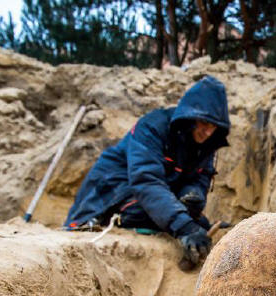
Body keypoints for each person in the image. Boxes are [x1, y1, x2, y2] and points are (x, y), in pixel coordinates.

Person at [64, 75, 230, 267]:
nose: (208, 132)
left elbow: (200, 178)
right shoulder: (152, 127)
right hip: (111, 192)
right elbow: (146, 181)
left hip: (153, 196)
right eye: (204, 124)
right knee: (171, 221)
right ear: (190, 118)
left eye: (214, 126)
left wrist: (191, 197)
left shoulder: (207, 144)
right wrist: (184, 227)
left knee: (198, 224)